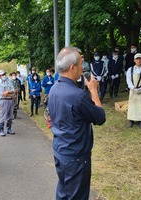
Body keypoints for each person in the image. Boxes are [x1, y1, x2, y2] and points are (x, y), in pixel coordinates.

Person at [48, 47, 106, 200]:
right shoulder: (78, 96)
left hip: (60, 149)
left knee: (64, 191)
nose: (83, 68)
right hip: (76, 156)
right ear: (72, 67)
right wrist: (93, 90)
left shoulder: (54, 89)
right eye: (81, 63)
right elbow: (100, 117)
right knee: (77, 195)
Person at [0, 70, 15, 136]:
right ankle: (1, 129)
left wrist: (7, 92)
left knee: (10, 115)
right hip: (4, 100)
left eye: (4, 74)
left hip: (10, 100)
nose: (4, 75)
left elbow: (13, 90)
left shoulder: (9, 82)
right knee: (3, 115)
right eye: (2, 75)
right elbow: (2, 94)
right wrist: (9, 94)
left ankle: (9, 128)